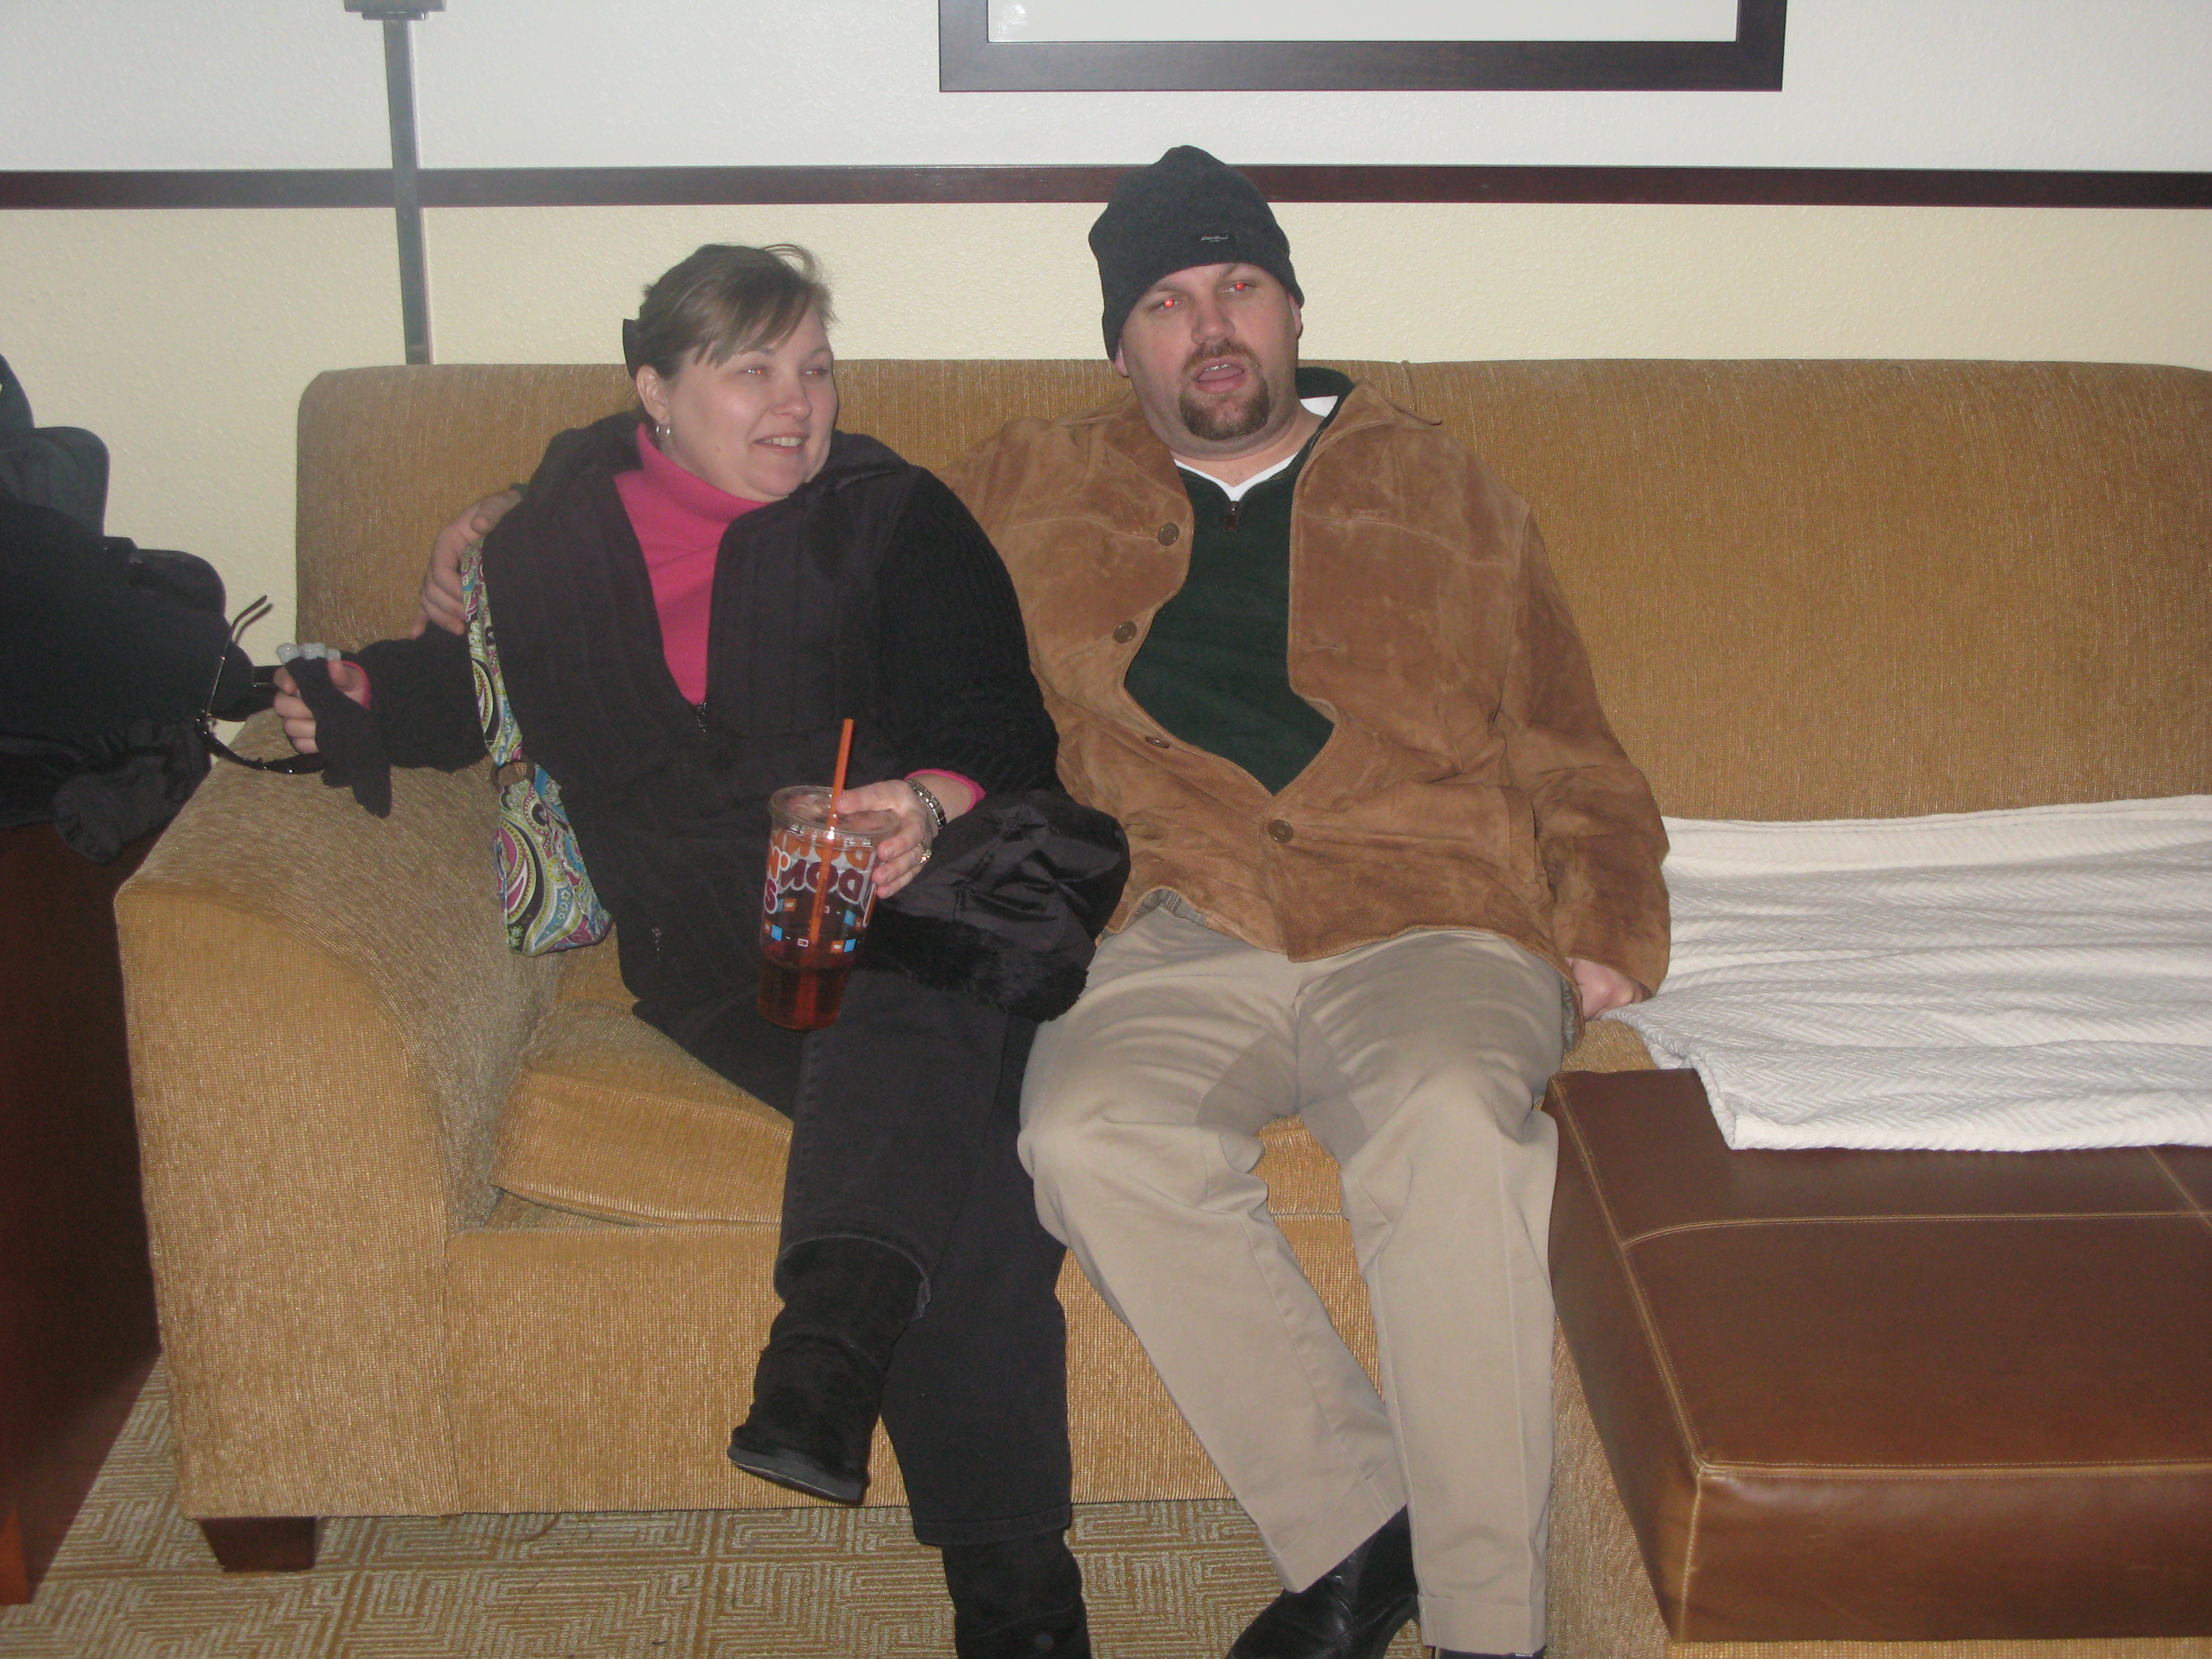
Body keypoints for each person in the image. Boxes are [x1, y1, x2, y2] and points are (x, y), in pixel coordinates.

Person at [420, 152, 1669, 1659]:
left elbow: (1568, 737)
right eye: (1166, 302)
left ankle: (1485, 1627)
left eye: (1241, 288)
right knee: (1078, 1134)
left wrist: (1607, 924)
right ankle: (1363, 1532)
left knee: (1453, 1127)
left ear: (1291, 310)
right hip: (1173, 912)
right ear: (1121, 347)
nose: (1212, 325)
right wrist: (524, 503)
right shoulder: (1023, 483)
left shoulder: (1451, 487)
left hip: (1429, 904)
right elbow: (772, 477)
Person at [283, 243, 1119, 1659]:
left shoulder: (891, 516)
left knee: (922, 1016)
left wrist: (921, 804)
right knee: (965, 1142)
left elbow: (995, 718)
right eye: (754, 371)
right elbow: (486, 698)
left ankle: (844, 1376)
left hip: (909, 896)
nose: (799, 403)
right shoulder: (544, 548)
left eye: (818, 369)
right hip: (711, 957)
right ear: (654, 391)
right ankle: (1009, 1590)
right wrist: (352, 694)